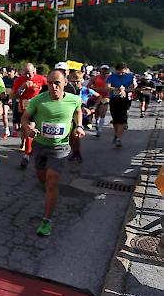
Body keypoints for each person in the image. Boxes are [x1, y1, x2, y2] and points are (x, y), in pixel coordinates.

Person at [22, 69, 84, 236]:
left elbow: (78, 111)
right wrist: (29, 128)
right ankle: (49, 193)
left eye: (57, 82)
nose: (53, 86)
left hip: (60, 147)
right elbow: (25, 118)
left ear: (65, 83)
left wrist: (79, 126)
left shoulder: (74, 100)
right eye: (50, 83)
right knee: (42, 178)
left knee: (51, 181)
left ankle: (47, 220)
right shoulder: (38, 101)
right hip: (41, 145)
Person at [12, 63, 47, 168]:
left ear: (34, 71)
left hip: (36, 109)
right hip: (23, 109)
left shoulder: (41, 79)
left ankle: (26, 155)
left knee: (30, 130)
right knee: (23, 130)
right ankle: (27, 146)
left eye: (29, 74)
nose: (27, 76)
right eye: (25, 74)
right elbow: (14, 96)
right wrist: (22, 88)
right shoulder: (18, 81)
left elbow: (48, 91)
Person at [106, 62, 134, 148]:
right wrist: (117, 88)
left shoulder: (129, 77)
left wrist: (125, 90)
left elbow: (132, 88)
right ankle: (117, 133)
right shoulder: (111, 77)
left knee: (122, 119)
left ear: (125, 70)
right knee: (115, 118)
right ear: (116, 70)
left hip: (124, 99)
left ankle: (118, 138)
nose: (121, 74)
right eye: (120, 72)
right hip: (114, 98)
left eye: (123, 72)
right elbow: (107, 87)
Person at [91, 65, 111, 137]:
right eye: (103, 69)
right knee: (96, 113)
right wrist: (94, 89)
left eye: (106, 69)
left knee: (103, 113)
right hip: (95, 97)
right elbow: (89, 86)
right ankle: (97, 122)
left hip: (105, 97)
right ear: (100, 70)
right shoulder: (95, 78)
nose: (104, 71)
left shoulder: (110, 78)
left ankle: (100, 129)